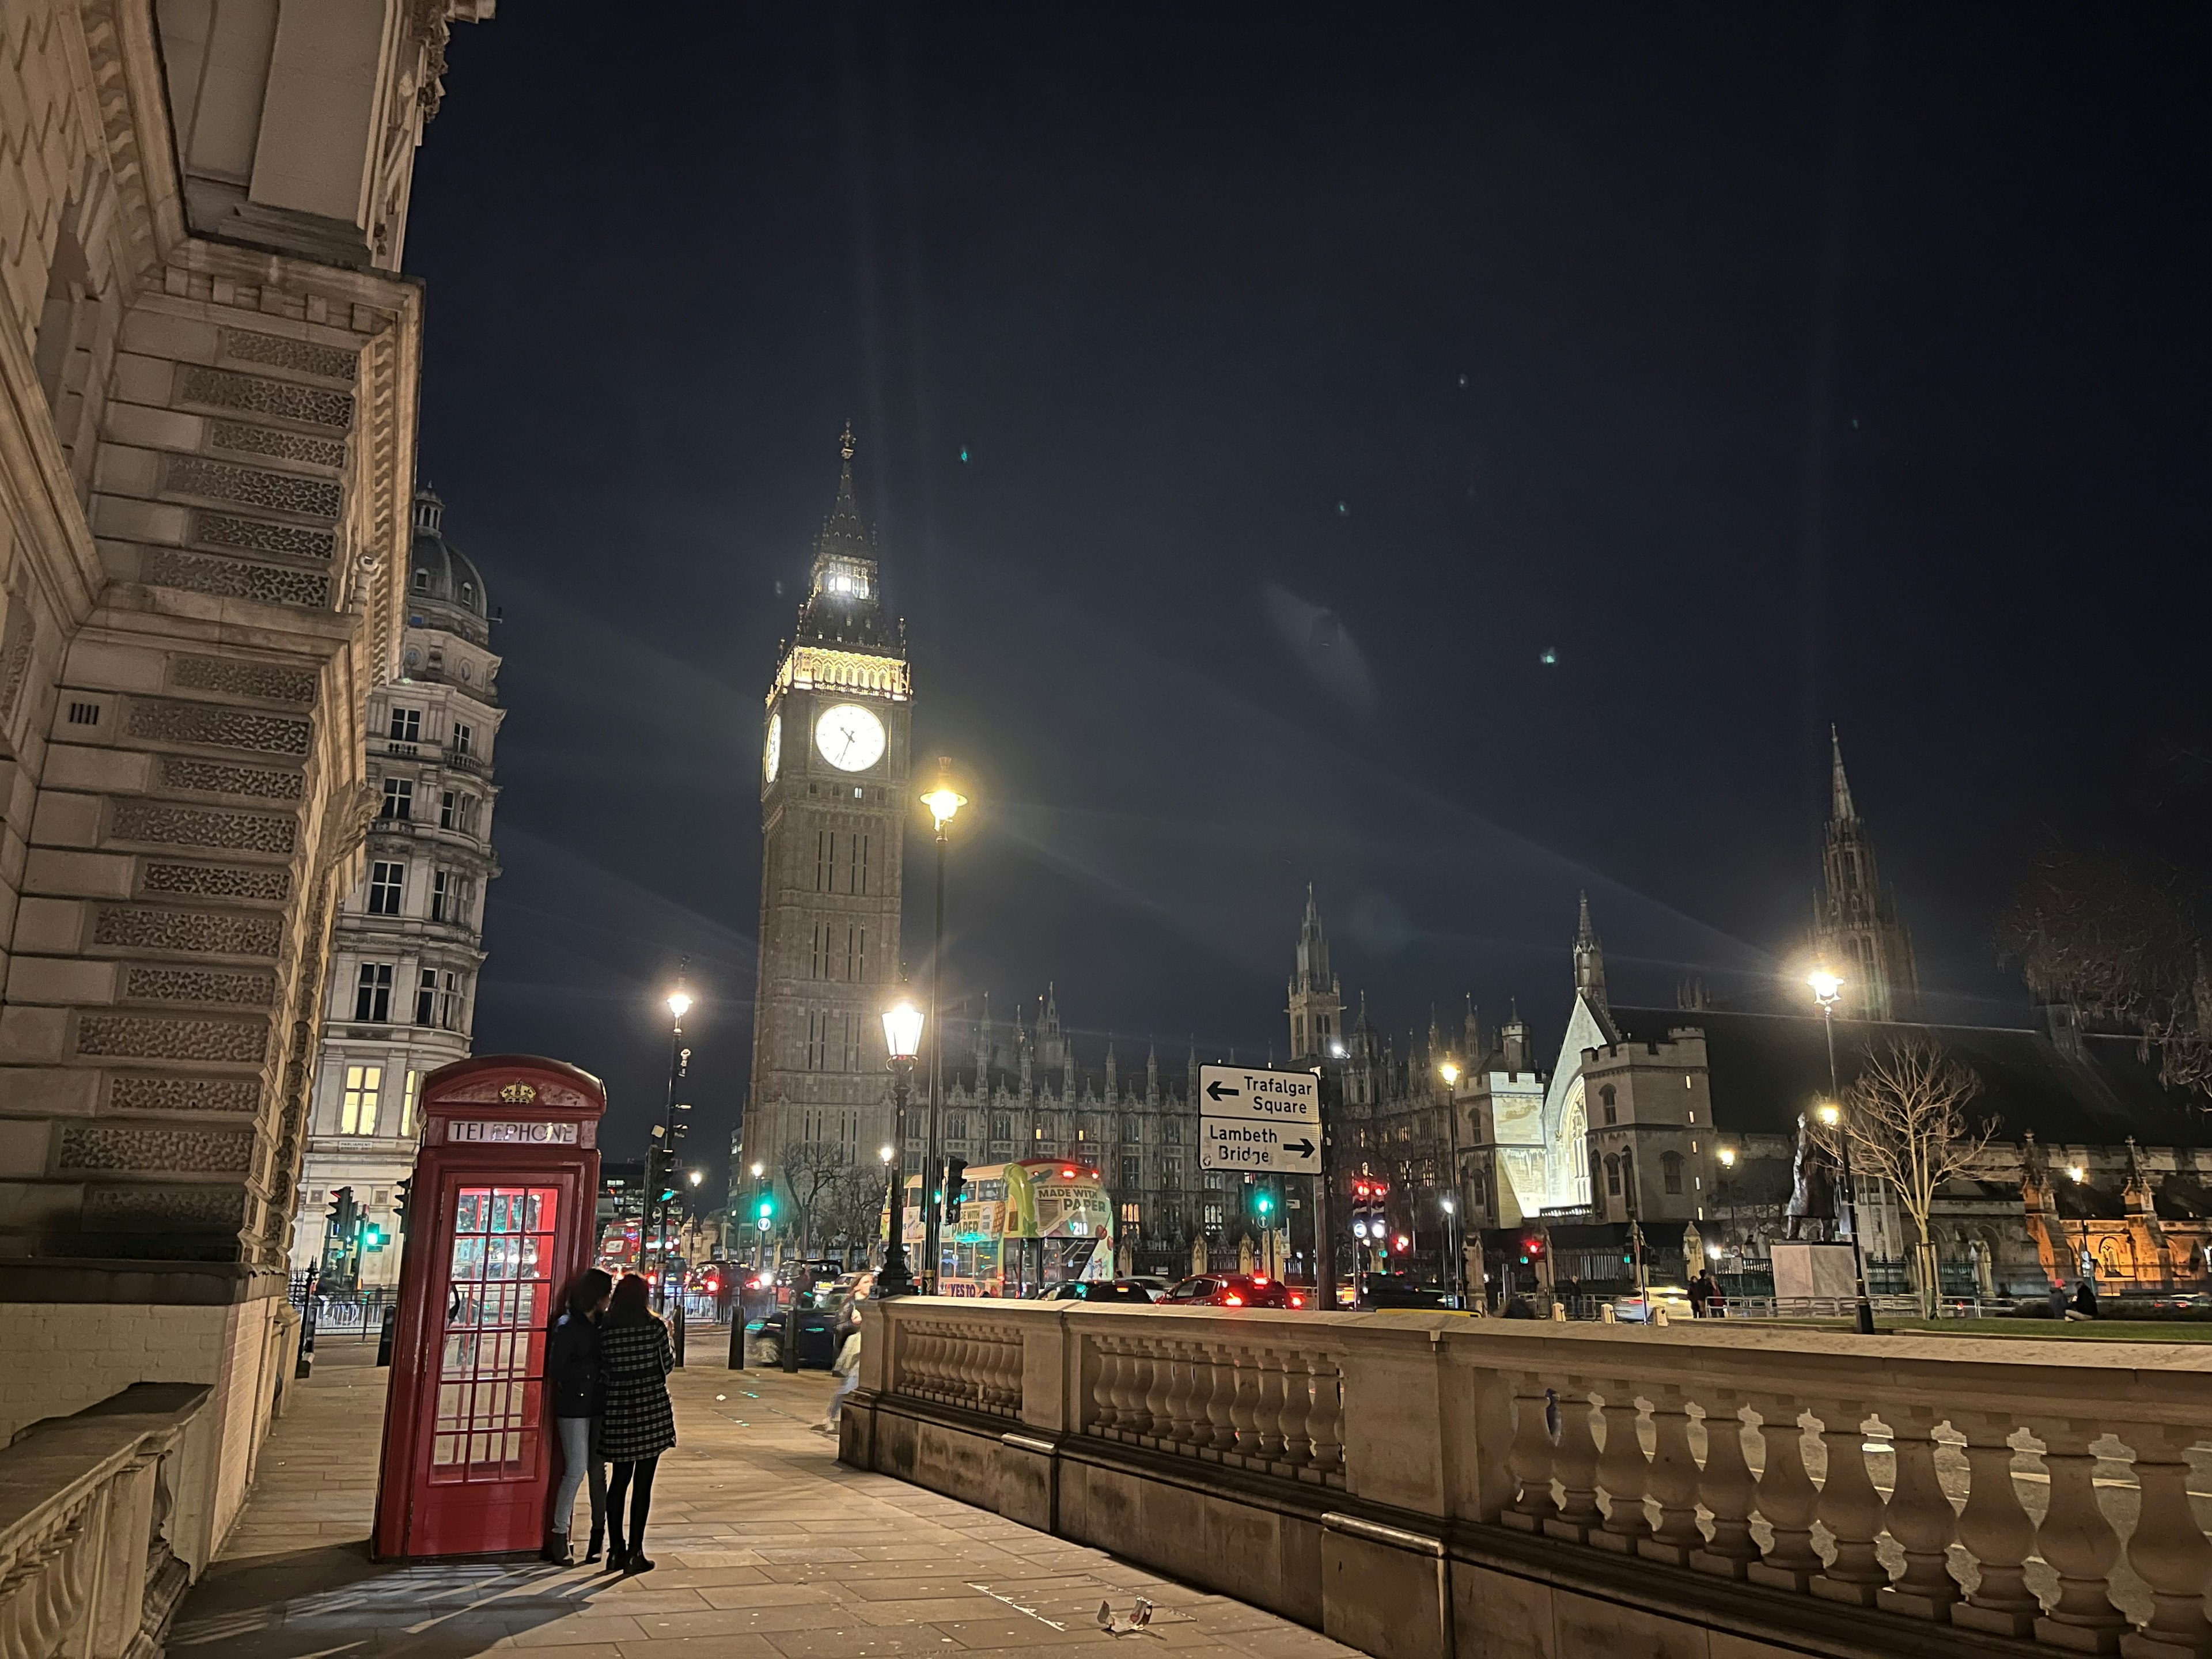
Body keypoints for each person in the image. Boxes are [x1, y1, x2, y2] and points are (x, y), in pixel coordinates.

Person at [596, 1272, 676, 1574]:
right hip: (650, 1407)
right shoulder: (654, 1327)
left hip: (618, 1407)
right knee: (643, 1484)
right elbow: (666, 1366)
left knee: (619, 1481)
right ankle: (635, 1552)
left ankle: (615, 1548)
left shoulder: (606, 1329)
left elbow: (601, 1366)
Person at [546, 1268, 613, 1565]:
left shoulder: (603, 1324)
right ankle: (560, 1536)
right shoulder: (566, 1325)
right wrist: (592, 1372)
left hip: (599, 1406)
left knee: (598, 1473)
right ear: (596, 1297)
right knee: (575, 1470)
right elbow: (557, 1370)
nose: (609, 1300)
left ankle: (598, 1537)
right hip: (573, 1407)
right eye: (606, 1295)